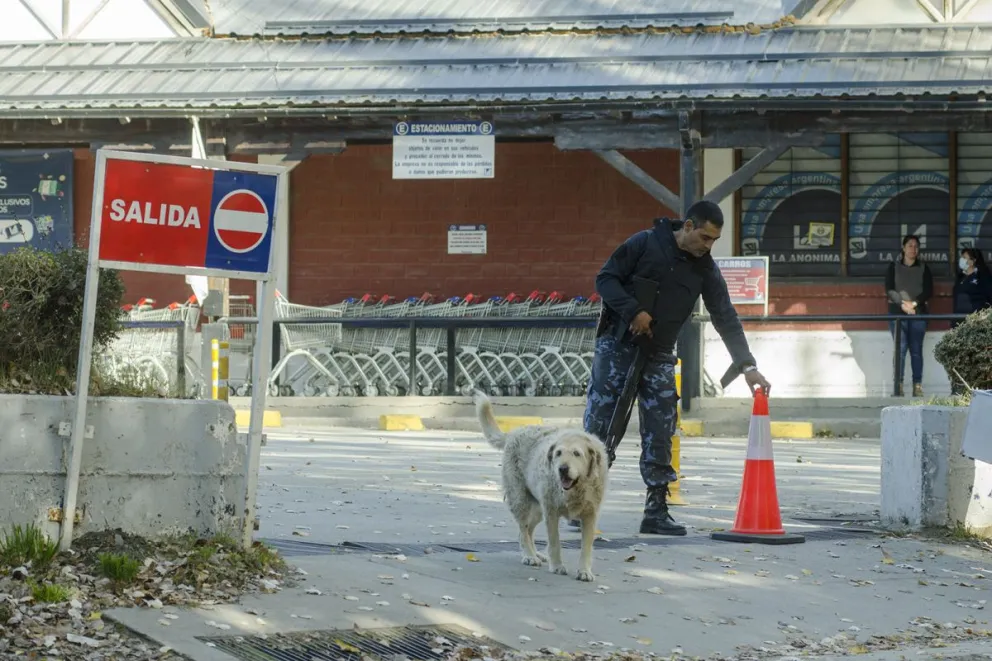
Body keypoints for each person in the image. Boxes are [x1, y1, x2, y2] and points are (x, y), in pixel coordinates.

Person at [581, 200, 771, 536]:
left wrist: (747, 365)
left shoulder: (705, 269)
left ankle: (656, 510)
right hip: (618, 347)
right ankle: (580, 501)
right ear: (688, 226)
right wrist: (633, 311)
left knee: (661, 428)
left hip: (658, 354)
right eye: (705, 237)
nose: (708, 246)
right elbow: (605, 279)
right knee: (601, 425)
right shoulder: (644, 243)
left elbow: (725, 316)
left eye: (714, 240)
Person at [884, 235, 933, 398]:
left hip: (918, 314)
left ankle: (917, 386)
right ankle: (898, 386)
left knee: (916, 350)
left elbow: (928, 291)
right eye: (910, 245)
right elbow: (889, 289)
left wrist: (914, 304)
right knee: (900, 350)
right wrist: (903, 305)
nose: (913, 249)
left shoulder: (924, 268)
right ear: (903, 248)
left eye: (916, 246)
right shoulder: (893, 266)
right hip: (897, 314)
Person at [950, 247, 992, 393]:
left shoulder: (982, 276)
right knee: (958, 357)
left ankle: (977, 390)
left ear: (973, 261)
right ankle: (957, 389)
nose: (962, 260)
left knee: (975, 358)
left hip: (976, 325)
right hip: (958, 324)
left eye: (965, 257)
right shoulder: (961, 277)